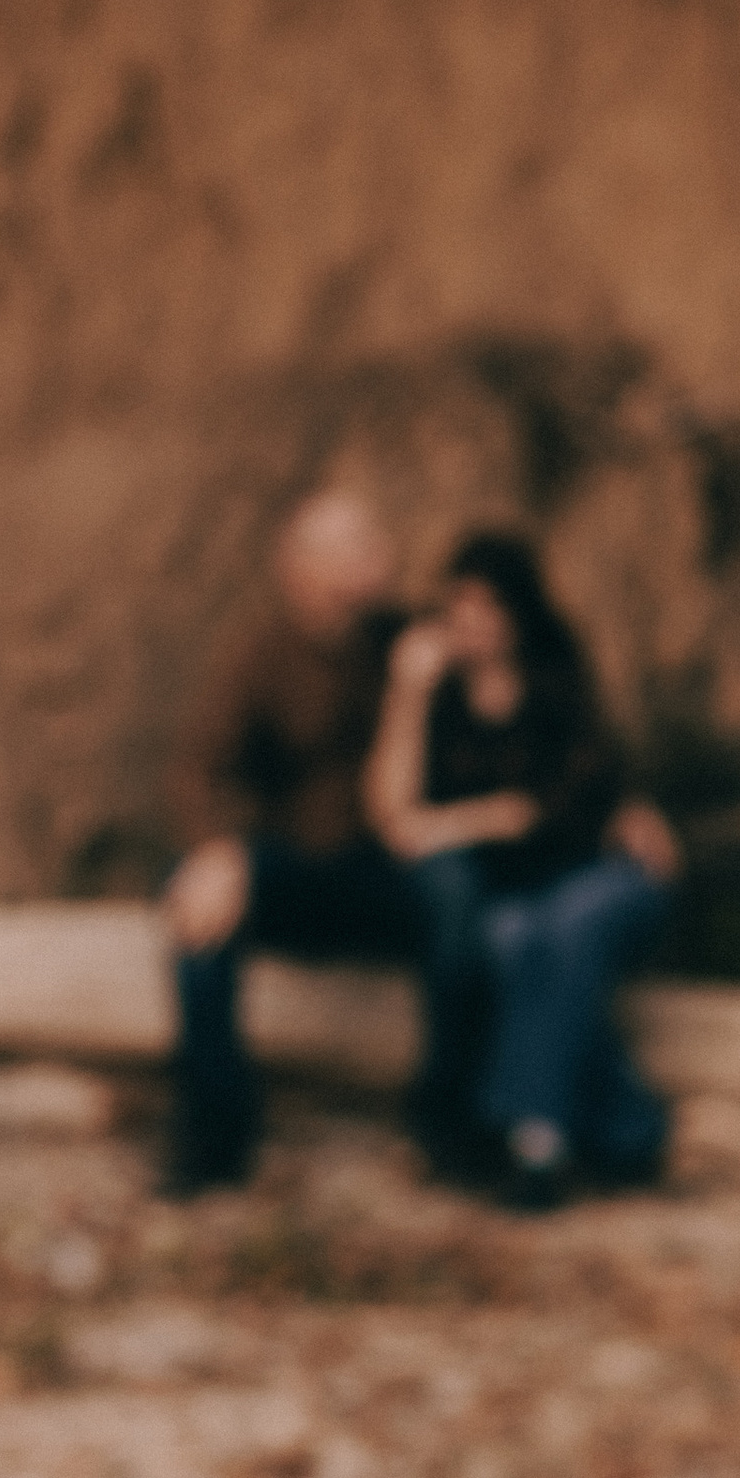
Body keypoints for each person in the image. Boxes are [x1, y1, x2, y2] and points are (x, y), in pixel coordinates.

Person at [161, 490, 481, 1194]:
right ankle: (215, 1132)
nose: (382, 556)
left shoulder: (410, 639)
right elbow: (200, 766)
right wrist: (217, 852)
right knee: (195, 903)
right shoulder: (262, 655)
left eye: (375, 540)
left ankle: (449, 1121)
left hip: (390, 870)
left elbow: (519, 689)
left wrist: (610, 801)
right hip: (297, 868)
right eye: (357, 546)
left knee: (458, 893)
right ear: (301, 568)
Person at [364, 529, 680, 1210]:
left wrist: (463, 823)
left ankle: (536, 1144)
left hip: (599, 875)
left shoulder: (557, 680)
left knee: (560, 930)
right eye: (460, 602)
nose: (472, 619)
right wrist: (408, 691)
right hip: (519, 892)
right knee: (511, 939)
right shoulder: (441, 702)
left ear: (519, 611)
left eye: (489, 604)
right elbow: (395, 817)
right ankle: (630, 1131)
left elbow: (565, 805)